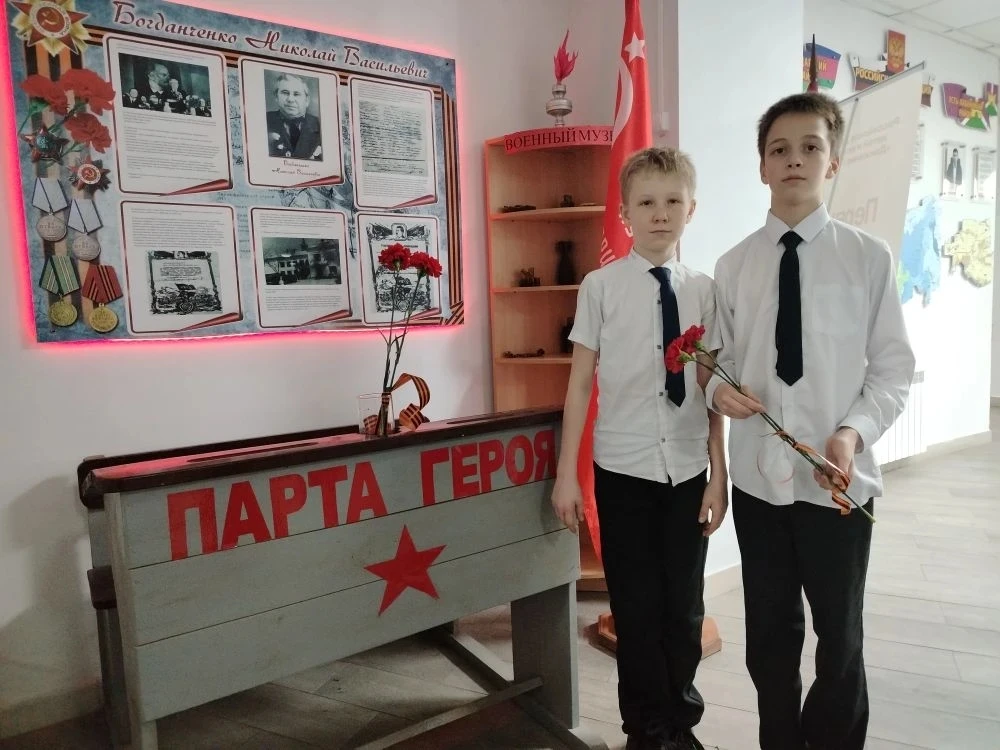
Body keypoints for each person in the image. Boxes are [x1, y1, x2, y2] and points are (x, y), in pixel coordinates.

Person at [706, 92, 915, 750]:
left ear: (834, 162)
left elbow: (893, 369)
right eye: (779, 149)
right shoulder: (733, 267)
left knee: (840, 639)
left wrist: (851, 433)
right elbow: (717, 363)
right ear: (762, 167)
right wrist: (719, 390)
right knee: (769, 638)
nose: (794, 160)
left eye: (810, 147)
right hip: (759, 485)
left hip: (838, 485)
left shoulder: (868, 258)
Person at [552, 147, 728, 750]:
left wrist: (719, 473)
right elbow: (580, 384)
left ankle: (680, 723)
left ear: (691, 210)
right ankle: (646, 732)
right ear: (625, 213)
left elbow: (709, 384)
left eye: (673, 201)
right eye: (647, 203)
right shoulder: (600, 287)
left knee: (684, 608)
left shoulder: (703, 290)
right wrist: (566, 475)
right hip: (622, 471)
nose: (660, 213)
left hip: (688, 471)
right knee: (636, 606)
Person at [266, 73, 322, 160]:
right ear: (276, 97)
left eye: (296, 94)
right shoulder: (264, 120)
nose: (290, 99)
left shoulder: (321, 125)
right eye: (285, 93)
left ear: (307, 100)